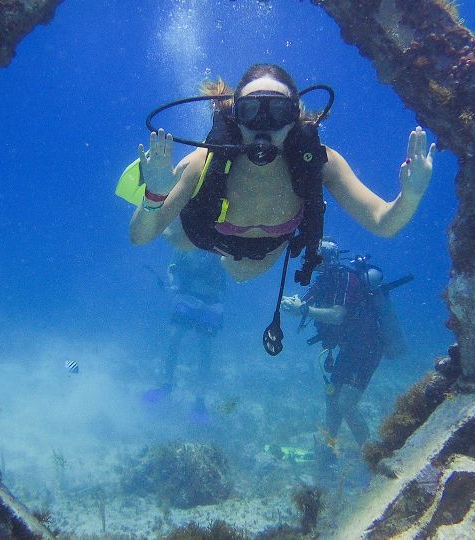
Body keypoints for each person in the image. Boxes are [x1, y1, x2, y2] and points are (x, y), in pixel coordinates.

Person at [125, 63, 436, 286]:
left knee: (239, 275)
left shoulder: (320, 162)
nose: (264, 125)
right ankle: (162, 184)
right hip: (203, 232)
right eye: (251, 111)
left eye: (278, 112)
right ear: (235, 115)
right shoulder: (204, 160)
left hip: (261, 254)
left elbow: (382, 222)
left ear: (295, 116)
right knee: (173, 239)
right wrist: (155, 194)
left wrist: (410, 196)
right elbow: (140, 238)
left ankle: (164, 194)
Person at [280, 240, 410, 471]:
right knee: (332, 401)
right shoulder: (324, 280)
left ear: (325, 260)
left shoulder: (345, 278)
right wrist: (291, 304)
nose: (309, 263)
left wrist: (303, 310)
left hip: (368, 347)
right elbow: (305, 302)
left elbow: (338, 315)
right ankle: (326, 457)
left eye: (313, 259)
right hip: (350, 348)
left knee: (347, 404)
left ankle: (375, 460)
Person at [143, 249, 226, 420]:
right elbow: (173, 266)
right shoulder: (189, 236)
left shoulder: (223, 240)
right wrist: (173, 282)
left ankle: (200, 400)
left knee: (205, 351)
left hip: (212, 302)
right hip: (188, 297)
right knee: (174, 340)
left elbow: (234, 267)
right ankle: (166, 385)